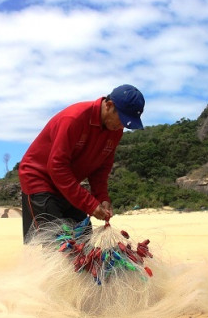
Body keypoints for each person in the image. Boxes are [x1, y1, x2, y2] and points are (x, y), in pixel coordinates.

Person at [18, 84, 145, 243]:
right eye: (123, 120)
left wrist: (102, 198)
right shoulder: (74, 119)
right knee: (56, 241)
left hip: (67, 185)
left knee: (83, 237)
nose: (122, 127)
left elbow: (101, 170)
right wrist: (90, 204)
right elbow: (57, 166)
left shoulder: (115, 131)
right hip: (39, 180)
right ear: (109, 105)